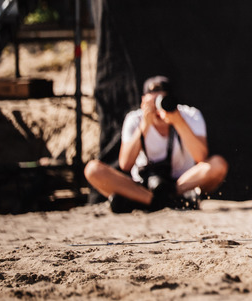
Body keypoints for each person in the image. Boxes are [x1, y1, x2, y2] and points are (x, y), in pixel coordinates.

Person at [84, 76, 229, 212]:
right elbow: (125, 164)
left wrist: (178, 122)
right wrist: (144, 125)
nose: (157, 108)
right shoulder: (135, 119)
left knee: (218, 165)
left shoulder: (190, 115)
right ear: (142, 102)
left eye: (162, 101)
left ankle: (151, 199)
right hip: (143, 185)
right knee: (92, 170)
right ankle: (157, 200)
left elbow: (201, 157)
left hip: (181, 182)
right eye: (152, 103)